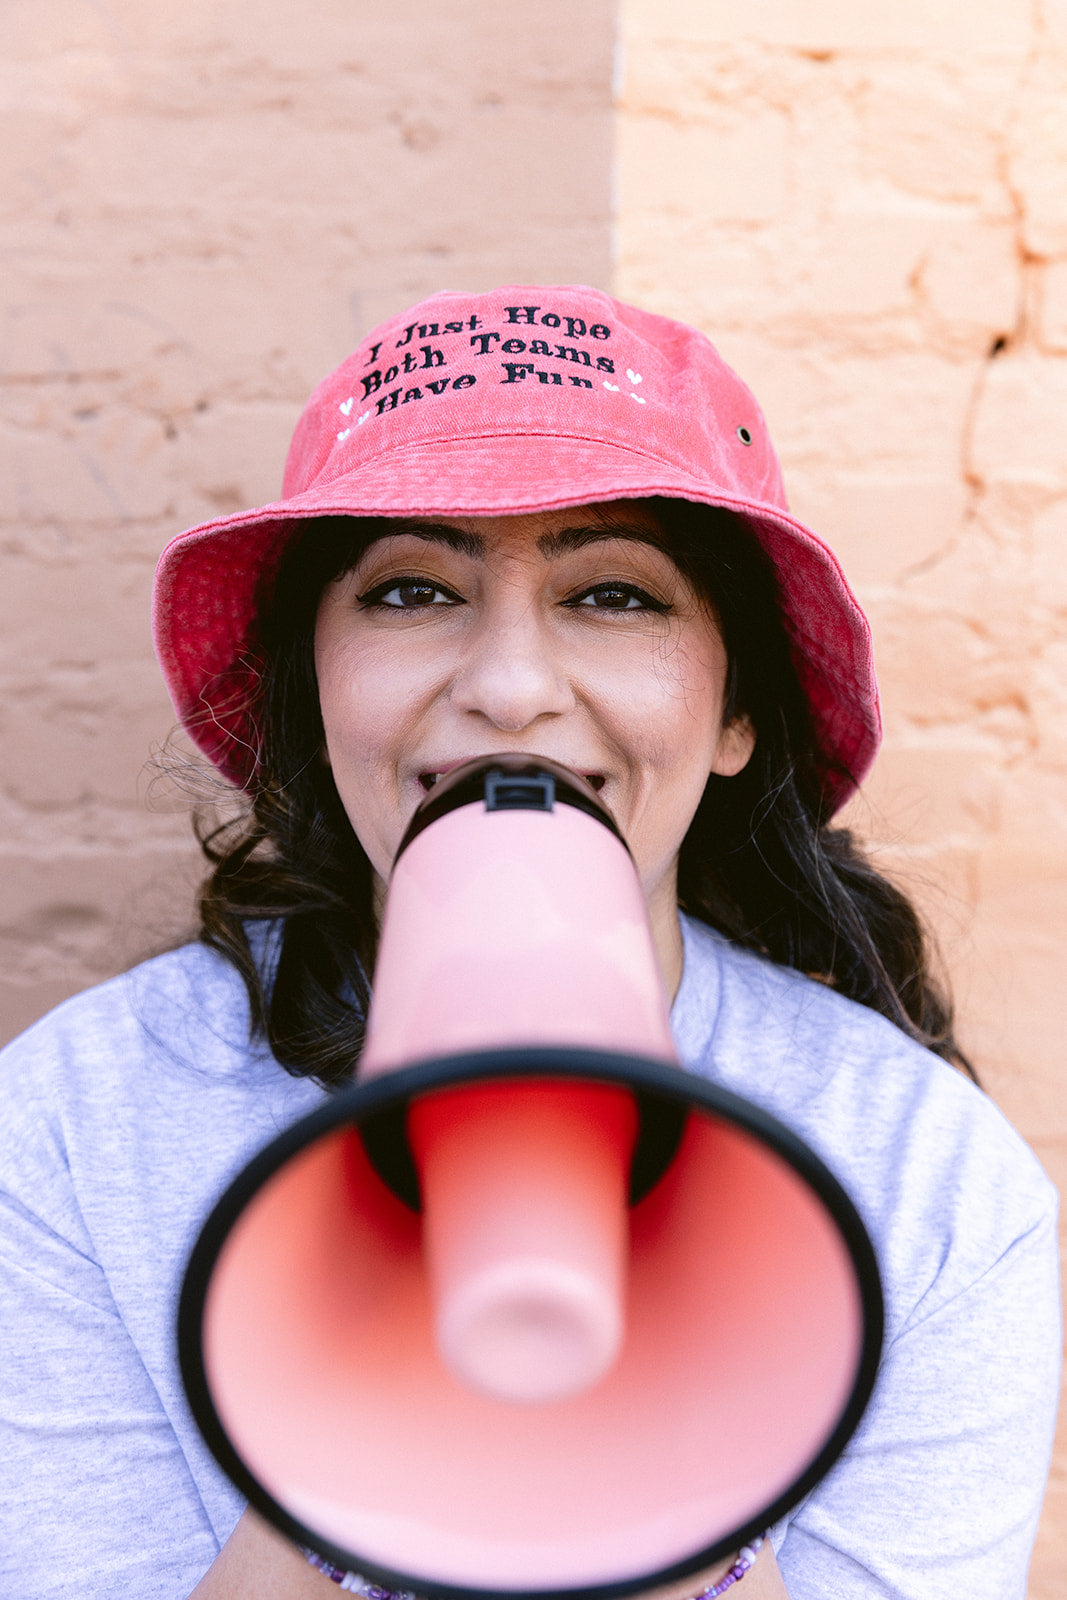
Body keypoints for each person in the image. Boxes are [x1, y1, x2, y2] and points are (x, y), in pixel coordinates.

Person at [0, 285, 1059, 1600]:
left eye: (613, 593)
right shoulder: (73, 1123)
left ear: (737, 716)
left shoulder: (928, 1184)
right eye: (409, 592)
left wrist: (656, 1438)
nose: (509, 687)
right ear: (316, 698)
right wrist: (364, 1390)